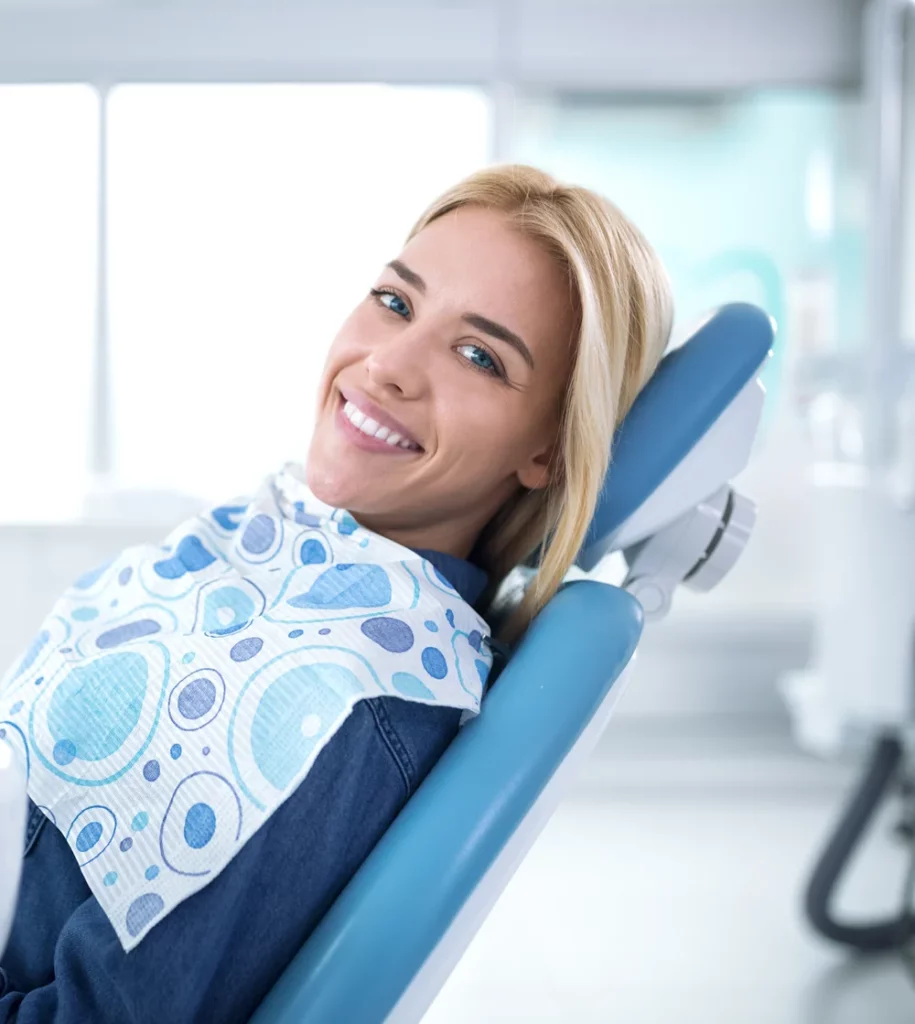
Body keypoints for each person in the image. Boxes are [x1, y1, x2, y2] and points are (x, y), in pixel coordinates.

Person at [0, 163, 672, 1022]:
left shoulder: (340, 701)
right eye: (395, 302)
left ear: (545, 450)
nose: (388, 364)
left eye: (479, 355)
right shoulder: (267, 543)